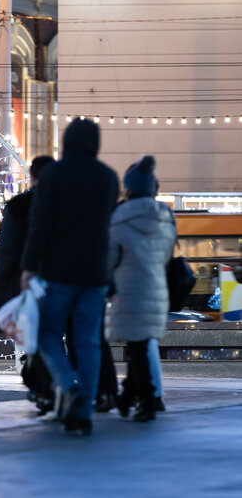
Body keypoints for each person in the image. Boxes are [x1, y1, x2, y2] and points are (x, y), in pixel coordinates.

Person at [20, 118, 119, 436]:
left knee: (47, 332)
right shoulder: (107, 178)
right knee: (88, 340)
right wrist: (110, 278)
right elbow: (107, 230)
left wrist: (29, 266)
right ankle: (85, 409)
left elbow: (40, 225)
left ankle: (67, 385)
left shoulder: (54, 176)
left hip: (59, 271)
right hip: (95, 273)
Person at [105, 156, 176, 422]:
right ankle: (132, 396)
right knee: (142, 344)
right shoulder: (165, 215)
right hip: (157, 286)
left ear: (130, 187)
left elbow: (111, 257)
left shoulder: (119, 215)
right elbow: (168, 254)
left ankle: (145, 399)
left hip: (128, 287)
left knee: (137, 346)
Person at [0, 156, 55, 413]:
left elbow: (6, 251)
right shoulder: (66, 205)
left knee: (32, 342)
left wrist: (3, 285)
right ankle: (54, 388)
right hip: (59, 284)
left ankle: (44, 389)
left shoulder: (19, 206)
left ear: (32, 175)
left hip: (23, 284)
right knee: (52, 339)